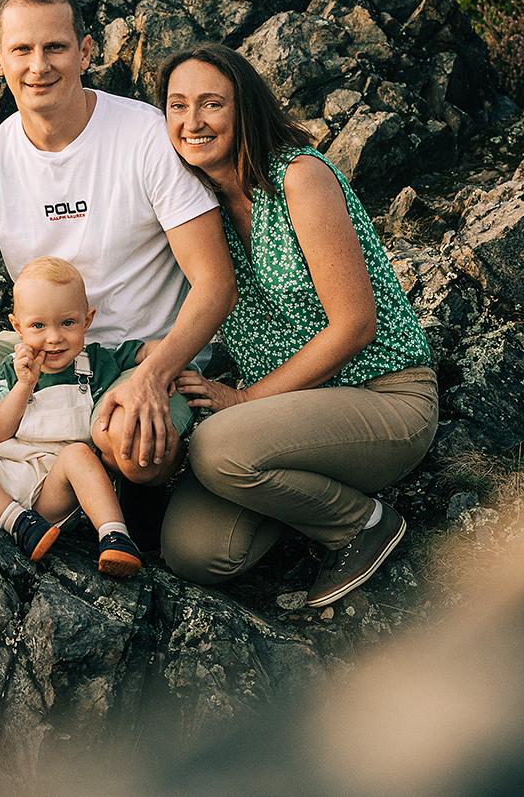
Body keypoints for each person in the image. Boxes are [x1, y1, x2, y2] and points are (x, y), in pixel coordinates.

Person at [0, 0, 236, 497]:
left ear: (85, 51)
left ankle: (91, 469)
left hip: (140, 357)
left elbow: (215, 283)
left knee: (136, 449)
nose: (38, 66)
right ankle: (38, 468)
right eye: (22, 50)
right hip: (38, 350)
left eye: (54, 47)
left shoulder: (145, 136)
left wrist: (156, 375)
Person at [154, 42, 437, 608]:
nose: (192, 121)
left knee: (215, 447)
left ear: (244, 110)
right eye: (177, 105)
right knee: (194, 552)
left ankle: (365, 524)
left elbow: (354, 325)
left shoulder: (298, 178)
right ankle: (301, 487)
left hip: (382, 394)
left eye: (211, 104)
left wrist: (244, 400)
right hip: (286, 418)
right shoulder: (195, 210)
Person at [0, 257, 147, 576]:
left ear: (87, 320)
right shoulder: (12, 370)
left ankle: (115, 536)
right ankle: (17, 522)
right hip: (4, 477)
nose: (54, 337)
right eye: (38, 326)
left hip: (56, 490)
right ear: (17, 327)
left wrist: (177, 365)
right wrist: (24, 385)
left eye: (67, 323)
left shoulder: (96, 363)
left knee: (79, 454)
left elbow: (146, 353)